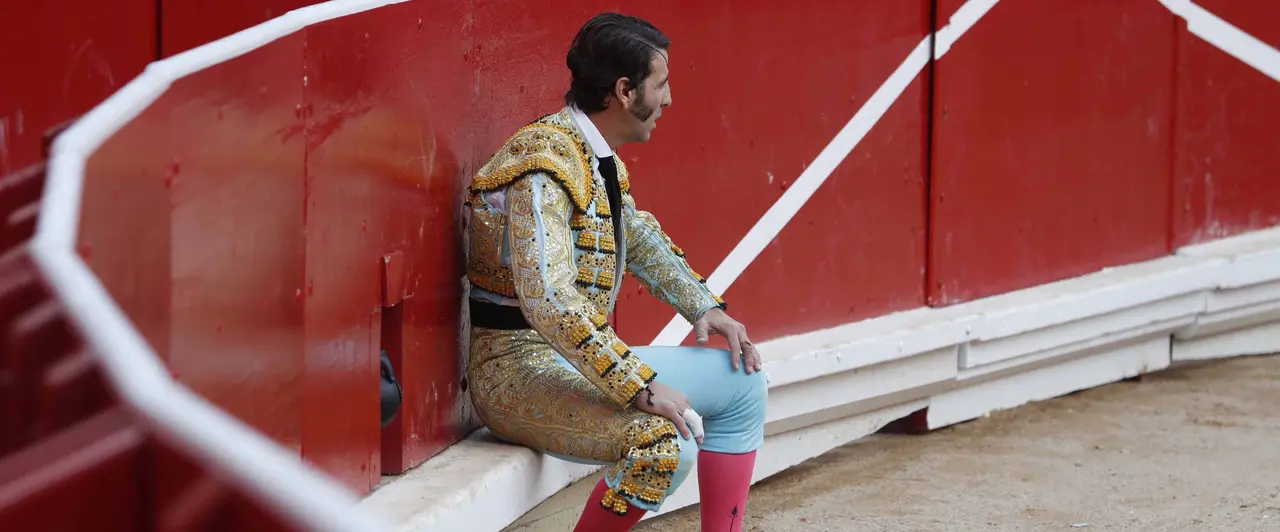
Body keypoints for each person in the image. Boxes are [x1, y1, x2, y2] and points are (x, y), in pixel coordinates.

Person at [463, 12, 768, 532]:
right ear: (625, 92)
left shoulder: (589, 154)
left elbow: (636, 233)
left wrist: (703, 306)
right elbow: (550, 301)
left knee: (744, 385)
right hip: (517, 371)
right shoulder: (542, 165)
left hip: (571, 361)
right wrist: (641, 388)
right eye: (661, 84)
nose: (669, 99)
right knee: (663, 444)